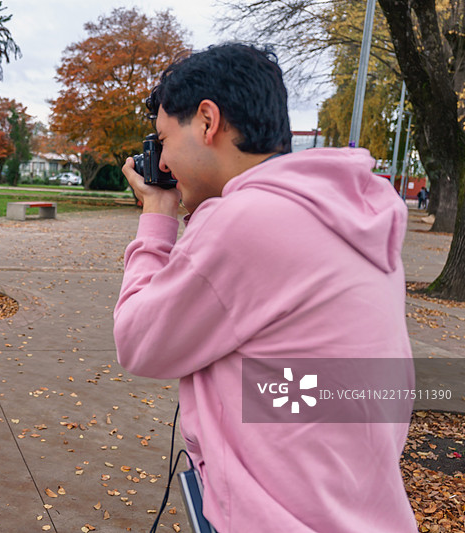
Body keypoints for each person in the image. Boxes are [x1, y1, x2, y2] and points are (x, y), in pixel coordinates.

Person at [114, 43, 416, 532]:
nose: (163, 163)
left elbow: (138, 341)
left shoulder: (248, 221)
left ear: (208, 121)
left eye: (164, 140)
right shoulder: (348, 213)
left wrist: (157, 216)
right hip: (352, 509)